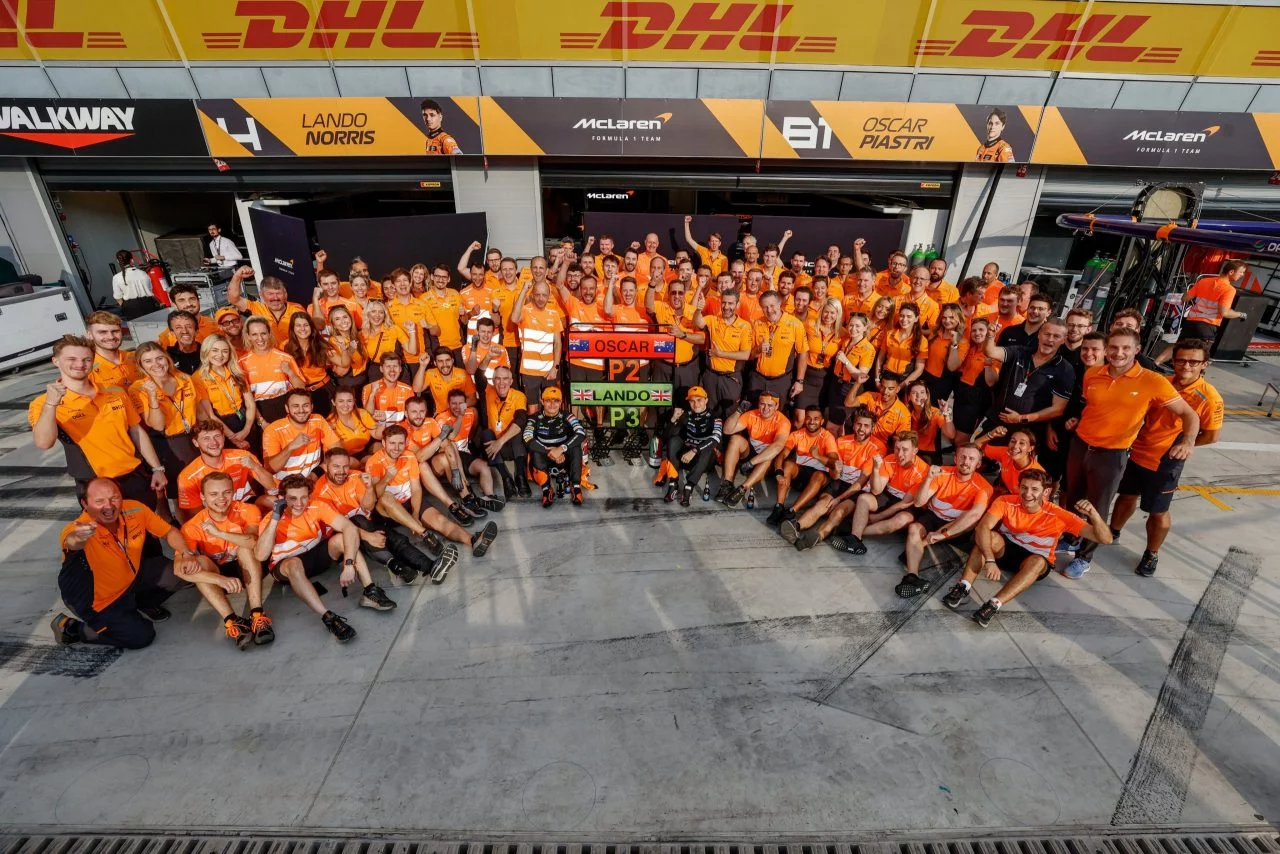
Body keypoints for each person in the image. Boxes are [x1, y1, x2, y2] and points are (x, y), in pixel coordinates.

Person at [1059, 328, 1200, 580]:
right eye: (1113, 347)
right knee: (1071, 498)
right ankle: (1070, 537)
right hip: (1080, 446)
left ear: (1137, 350)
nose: (1118, 353)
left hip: (1111, 455)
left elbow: (1190, 414)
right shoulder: (1092, 373)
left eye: (1125, 348)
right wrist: (1075, 421)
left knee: (1097, 508)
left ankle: (1084, 557)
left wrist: (1188, 441)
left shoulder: (1152, 381)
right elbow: (1093, 408)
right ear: (1106, 349)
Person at [1110, 338, 1223, 577]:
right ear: (1173, 361)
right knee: (1126, 495)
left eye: (1194, 361)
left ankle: (1151, 553)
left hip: (1165, 462)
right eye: (1181, 360)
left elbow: (1211, 436)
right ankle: (1114, 531)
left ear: (1205, 364)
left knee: (1157, 511)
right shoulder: (1161, 383)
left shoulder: (1209, 398)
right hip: (1137, 451)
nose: (1186, 366)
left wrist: (1183, 445)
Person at [50, 478, 207, 649]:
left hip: (131, 577)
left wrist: (186, 553)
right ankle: (72, 628)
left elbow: (169, 531)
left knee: (184, 571)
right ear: (85, 503)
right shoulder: (78, 529)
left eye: (114, 498)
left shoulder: (134, 508)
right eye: (99, 501)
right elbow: (72, 542)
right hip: (96, 600)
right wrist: (79, 537)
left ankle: (142, 603)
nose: (108, 506)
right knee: (141, 637)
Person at [943, 471, 1110, 628]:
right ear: (1018, 487)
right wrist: (990, 559)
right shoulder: (1005, 501)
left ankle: (993, 604)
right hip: (1007, 549)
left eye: (1035, 489)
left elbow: (1105, 539)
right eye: (1024, 487)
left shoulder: (1060, 515)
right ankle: (962, 587)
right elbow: (982, 527)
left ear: (1046, 492)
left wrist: (1093, 514)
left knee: (1037, 562)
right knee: (988, 536)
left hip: (1035, 559)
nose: (1028, 493)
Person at [30, 336, 168, 508]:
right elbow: (44, 443)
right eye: (71, 359)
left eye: (86, 359)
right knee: (109, 535)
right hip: (95, 486)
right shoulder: (42, 403)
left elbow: (136, 430)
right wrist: (51, 403)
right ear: (56, 361)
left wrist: (156, 468)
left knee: (146, 532)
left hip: (135, 477)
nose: (80, 364)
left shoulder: (115, 392)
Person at [255, 474, 395, 642]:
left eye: (303, 497)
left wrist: (349, 564)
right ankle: (328, 617)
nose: (299, 504)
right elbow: (261, 555)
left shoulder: (317, 506)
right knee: (293, 564)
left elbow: (349, 528)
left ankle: (370, 591)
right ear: (282, 498)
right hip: (287, 567)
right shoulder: (271, 519)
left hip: (315, 556)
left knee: (342, 538)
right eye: (292, 499)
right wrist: (275, 519)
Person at [180, 472, 275, 648]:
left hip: (249, 566)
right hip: (220, 577)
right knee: (197, 563)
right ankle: (232, 621)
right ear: (203, 497)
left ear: (233, 492)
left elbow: (254, 541)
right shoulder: (191, 527)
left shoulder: (248, 510)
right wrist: (220, 580)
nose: (221, 499)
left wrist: (219, 533)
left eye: (226, 492)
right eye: (213, 494)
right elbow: (180, 570)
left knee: (245, 548)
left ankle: (257, 616)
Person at [894, 446, 993, 598]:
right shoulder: (942, 472)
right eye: (962, 457)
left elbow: (975, 515)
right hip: (934, 516)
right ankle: (912, 577)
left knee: (971, 520)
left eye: (971, 459)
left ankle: (920, 545)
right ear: (955, 459)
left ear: (978, 464)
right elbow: (919, 502)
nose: (966, 462)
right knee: (914, 528)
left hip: (958, 525)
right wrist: (928, 478)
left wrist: (945, 534)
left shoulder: (984, 487)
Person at [812, 430, 929, 554]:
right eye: (897, 448)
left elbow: (904, 503)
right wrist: (876, 470)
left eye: (905, 450)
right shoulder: (890, 459)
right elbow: (876, 490)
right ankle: (855, 539)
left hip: (908, 504)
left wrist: (878, 517)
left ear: (915, 451)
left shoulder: (922, 471)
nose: (899, 454)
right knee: (863, 498)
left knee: (900, 519)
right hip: (890, 495)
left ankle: (850, 531)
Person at [785, 407, 883, 541]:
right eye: (859, 424)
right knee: (822, 504)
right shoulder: (841, 441)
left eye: (866, 426)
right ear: (853, 425)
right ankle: (795, 526)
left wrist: (839, 498)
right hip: (839, 483)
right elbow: (834, 475)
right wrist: (836, 470)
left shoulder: (877, 447)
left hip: (856, 490)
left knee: (838, 512)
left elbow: (860, 483)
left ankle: (816, 536)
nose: (861, 429)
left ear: (872, 428)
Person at [979, 317, 1073, 442]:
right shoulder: (1020, 352)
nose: (1050, 339)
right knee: (978, 453)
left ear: (1064, 340)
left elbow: (1058, 410)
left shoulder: (1065, 369)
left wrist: (1021, 418)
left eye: (1056, 336)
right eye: (1047, 334)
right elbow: (990, 352)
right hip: (996, 421)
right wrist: (990, 336)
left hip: (1026, 432)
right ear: (1039, 334)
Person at [130, 343, 200, 503]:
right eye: (148, 361)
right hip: (167, 443)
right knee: (181, 494)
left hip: (193, 437)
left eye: (159, 358)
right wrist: (153, 397)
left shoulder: (184, 378)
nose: (156, 364)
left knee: (200, 485)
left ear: (167, 359)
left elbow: (198, 410)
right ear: (141, 366)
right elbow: (158, 425)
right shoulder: (138, 388)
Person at [175, 419, 275, 521]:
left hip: (247, 506)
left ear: (223, 437)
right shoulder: (188, 476)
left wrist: (255, 467)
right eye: (206, 438)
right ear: (196, 443)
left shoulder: (242, 456)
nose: (213, 442)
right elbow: (196, 516)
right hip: (216, 516)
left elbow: (272, 486)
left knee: (273, 502)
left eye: (217, 436)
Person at [1156, 260, 1250, 365]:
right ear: (1231, 272)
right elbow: (1224, 312)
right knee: (1201, 355)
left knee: (1178, 346)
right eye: (1241, 272)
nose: (1242, 275)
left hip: (1191, 322)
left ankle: (1156, 363)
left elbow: (1185, 298)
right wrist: (1240, 314)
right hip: (1208, 326)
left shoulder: (1204, 281)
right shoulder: (1229, 289)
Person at [767, 406, 838, 527]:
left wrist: (818, 456)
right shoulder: (797, 434)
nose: (812, 422)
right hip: (802, 475)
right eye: (809, 418)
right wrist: (778, 472)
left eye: (816, 419)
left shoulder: (827, 437)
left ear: (822, 421)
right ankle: (779, 507)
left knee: (819, 475)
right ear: (805, 419)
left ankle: (792, 511)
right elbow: (782, 454)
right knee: (788, 464)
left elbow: (835, 463)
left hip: (820, 480)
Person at [718, 392, 791, 507]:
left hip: (765, 461)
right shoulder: (752, 414)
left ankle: (742, 489)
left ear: (777, 406)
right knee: (735, 439)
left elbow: (778, 446)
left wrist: (751, 463)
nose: (765, 408)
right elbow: (727, 430)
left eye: (770, 405)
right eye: (762, 404)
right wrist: (739, 411)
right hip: (751, 452)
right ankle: (727, 483)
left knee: (769, 456)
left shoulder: (783, 421)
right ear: (758, 404)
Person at [695, 288, 754, 421]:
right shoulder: (712, 320)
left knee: (730, 414)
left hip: (731, 378)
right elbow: (698, 322)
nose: (726, 307)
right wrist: (698, 309)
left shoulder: (744, 326)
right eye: (724, 303)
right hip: (711, 376)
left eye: (730, 303)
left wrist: (720, 353)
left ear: (737, 304)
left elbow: (745, 355)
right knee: (709, 413)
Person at [194, 334, 258, 451]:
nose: (220, 355)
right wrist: (233, 438)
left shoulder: (237, 372)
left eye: (224, 351)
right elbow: (210, 415)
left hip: (246, 421)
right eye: (215, 350)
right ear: (206, 351)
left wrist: (247, 429)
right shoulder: (198, 378)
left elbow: (250, 404)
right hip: (223, 426)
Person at [524, 387, 586, 507]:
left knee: (576, 447)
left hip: (564, 456)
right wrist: (550, 451)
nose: (552, 404)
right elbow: (527, 437)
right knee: (534, 450)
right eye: (548, 400)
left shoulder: (567, 416)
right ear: (542, 401)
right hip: (545, 456)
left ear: (561, 402)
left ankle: (576, 487)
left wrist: (561, 449)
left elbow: (581, 432)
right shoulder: (534, 418)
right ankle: (547, 490)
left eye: (556, 401)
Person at [262, 389, 341, 481]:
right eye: (296, 406)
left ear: (312, 407)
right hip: (284, 486)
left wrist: (316, 473)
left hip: (314, 481)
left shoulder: (318, 420)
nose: (301, 410)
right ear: (287, 408)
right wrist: (290, 447)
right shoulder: (272, 430)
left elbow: (337, 452)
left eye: (305, 405)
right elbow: (270, 470)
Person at [239, 315, 304, 425]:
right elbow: (246, 401)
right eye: (254, 334)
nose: (260, 339)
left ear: (269, 334)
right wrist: (262, 422)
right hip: (260, 414)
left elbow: (301, 389)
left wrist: (290, 372)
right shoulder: (241, 363)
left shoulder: (285, 358)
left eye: (263, 333)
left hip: (287, 411)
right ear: (248, 336)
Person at [662, 386, 721, 506]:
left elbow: (715, 439)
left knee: (708, 449)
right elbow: (666, 437)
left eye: (699, 400)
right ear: (688, 402)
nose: (696, 404)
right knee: (673, 440)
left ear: (706, 400)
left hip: (704, 461)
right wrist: (673, 419)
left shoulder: (715, 416)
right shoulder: (686, 414)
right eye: (692, 401)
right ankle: (673, 482)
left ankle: (689, 487)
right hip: (686, 458)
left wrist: (695, 450)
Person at [511, 277, 563, 411]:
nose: (541, 298)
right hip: (529, 371)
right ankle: (532, 432)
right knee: (532, 409)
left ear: (549, 296)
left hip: (549, 371)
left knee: (551, 407)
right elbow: (514, 318)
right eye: (538, 294)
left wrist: (555, 367)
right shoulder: (525, 311)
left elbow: (558, 343)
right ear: (532, 295)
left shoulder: (554, 314)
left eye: (544, 295)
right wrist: (523, 291)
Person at [749, 290, 808, 406]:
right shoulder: (757, 323)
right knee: (755, 413)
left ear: (779, 303)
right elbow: (750, 355)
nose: (769, 310)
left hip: (781, 381)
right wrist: (758, 349)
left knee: (778, 415)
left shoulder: (795, 324)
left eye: (772, 305)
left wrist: (799, 381)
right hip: (758, 379)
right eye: (765, 307)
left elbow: (803, 353)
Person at [481, 365, 530, 499]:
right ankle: (506, 478)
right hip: (496, 449)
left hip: (514, 445)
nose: (501, 383)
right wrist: (487, 356)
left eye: (505, 379)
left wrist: (500, 442)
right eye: (497, 379)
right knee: (486, 433)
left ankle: (520, 476)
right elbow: (479, 375)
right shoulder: (488, 391)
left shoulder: (519, 396)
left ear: (511, 381)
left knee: (517, 428)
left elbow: (521, 419)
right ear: (493, 380)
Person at [975, 425, 1044, 495]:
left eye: (1022, 443)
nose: (1015, 446)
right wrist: (991, 435)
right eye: (1013, 441)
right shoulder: (1006, 453)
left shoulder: (1036, 473)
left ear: (1030, 448)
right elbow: (975, 448)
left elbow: (1032, 501)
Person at [847, 374, 911, 447]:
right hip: (859, 440)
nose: (885, 392)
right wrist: (858, 383)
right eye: (883, 387)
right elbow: (849, 403)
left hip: (879, 448)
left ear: (897, 389)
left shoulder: (904, 414)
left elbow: (902, 440)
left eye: (890, 389)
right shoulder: (871, 396)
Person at [84, 310, 141, 390]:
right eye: (103, 332)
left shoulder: (136, 358)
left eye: (115, 331)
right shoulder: (87, 370)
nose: (111, 337)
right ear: (90, 335)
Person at [422, 264, 465, 361]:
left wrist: (464, 314)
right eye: (437, 276)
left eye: (444, 277)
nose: (441, 280)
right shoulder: (423, 299)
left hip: (457, 345)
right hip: (438, 348)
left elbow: (464, 321)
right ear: (432, 277)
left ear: (449, 279)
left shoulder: (456, 294)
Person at [876, 302, 926, 386]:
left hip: (905, 380)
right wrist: (877, 379)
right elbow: (880, 358)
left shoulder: (921, 340)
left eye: (909, 317)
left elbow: (919, 369)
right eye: (902, 316)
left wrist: (901, 386)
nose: (904, 319)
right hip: (886, 377)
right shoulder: (889, 334)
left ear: (916, 319)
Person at [157, 283, 220, 349]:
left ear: (198, 301)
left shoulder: (216, 325)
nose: (188, 304)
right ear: (174, 305)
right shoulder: (167, 337)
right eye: (181, 300)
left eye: (192, 299)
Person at [415, 348, 477, 414]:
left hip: (460, 410)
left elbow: (473, 399)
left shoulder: (463, 374)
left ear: (452, 361)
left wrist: (456, 408)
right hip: (442, 414)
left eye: (447, 360)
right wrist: (422, 366)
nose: (445, 364)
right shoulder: (430, 373)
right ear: (435, 363)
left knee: (474, 412)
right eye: (440, 361)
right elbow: (417, 389)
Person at [363, 353, 415, 427]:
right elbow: (368, 415)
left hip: (400, 431)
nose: (392, 370)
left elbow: (411, 415)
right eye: (388, 366)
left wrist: (386, 415)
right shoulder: (369, 388)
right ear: (381, 369)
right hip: (378, 430)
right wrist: (372, 395)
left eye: (395, 366)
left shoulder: (408, 390)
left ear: (400, 369)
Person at [329, 386, 381, 458]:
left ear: (354, 401)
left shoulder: (362, 413)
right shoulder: (329, 423)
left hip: (363, 450)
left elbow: (376, 434)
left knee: (381, 449)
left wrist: (382, 422)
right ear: (333, 402)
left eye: (349, 401)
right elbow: (334, 454)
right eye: (341, 401)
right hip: (343, 457)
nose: (345, 405)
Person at [326, 304, 366, 391]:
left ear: (350, 319)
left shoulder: (359, 336)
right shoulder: (333, 341)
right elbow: (344, 364)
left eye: (345, 317)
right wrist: (349, 350)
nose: (343, 321)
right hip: (348, 382)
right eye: (337, 319)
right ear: (334, 325)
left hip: (363, 379)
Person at [311, 268, 362, 333]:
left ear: (339, 283)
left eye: (333, 283)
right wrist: (315, 299)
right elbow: (318, 327)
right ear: (319, 285)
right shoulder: (313, 307)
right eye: (325, 284)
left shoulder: (353, 305)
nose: (330, 287)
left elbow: (362, 329)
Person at [111, 249, 159, 319]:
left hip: (131, 307)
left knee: (137, 328)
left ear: (118, 261)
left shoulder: (116, 277)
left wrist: (125, 307)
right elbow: (150, 289)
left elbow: (118, 297)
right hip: (149, 304)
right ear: (132, 260)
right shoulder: (143, 273)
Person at [900, 266, 940, 331]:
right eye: (915, 277)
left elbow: (933, 331)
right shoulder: (896, 300)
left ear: (928, 282)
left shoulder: (933, 306)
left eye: (922, 279)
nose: (918, 281)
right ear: (910, 278)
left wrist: (916, 332)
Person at [163, 310, 202, 375]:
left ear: (196, 331)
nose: (184, 331)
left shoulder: (208, 352)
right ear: (172, 333)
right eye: (178, 327)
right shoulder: (167, 357)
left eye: (189, 326)